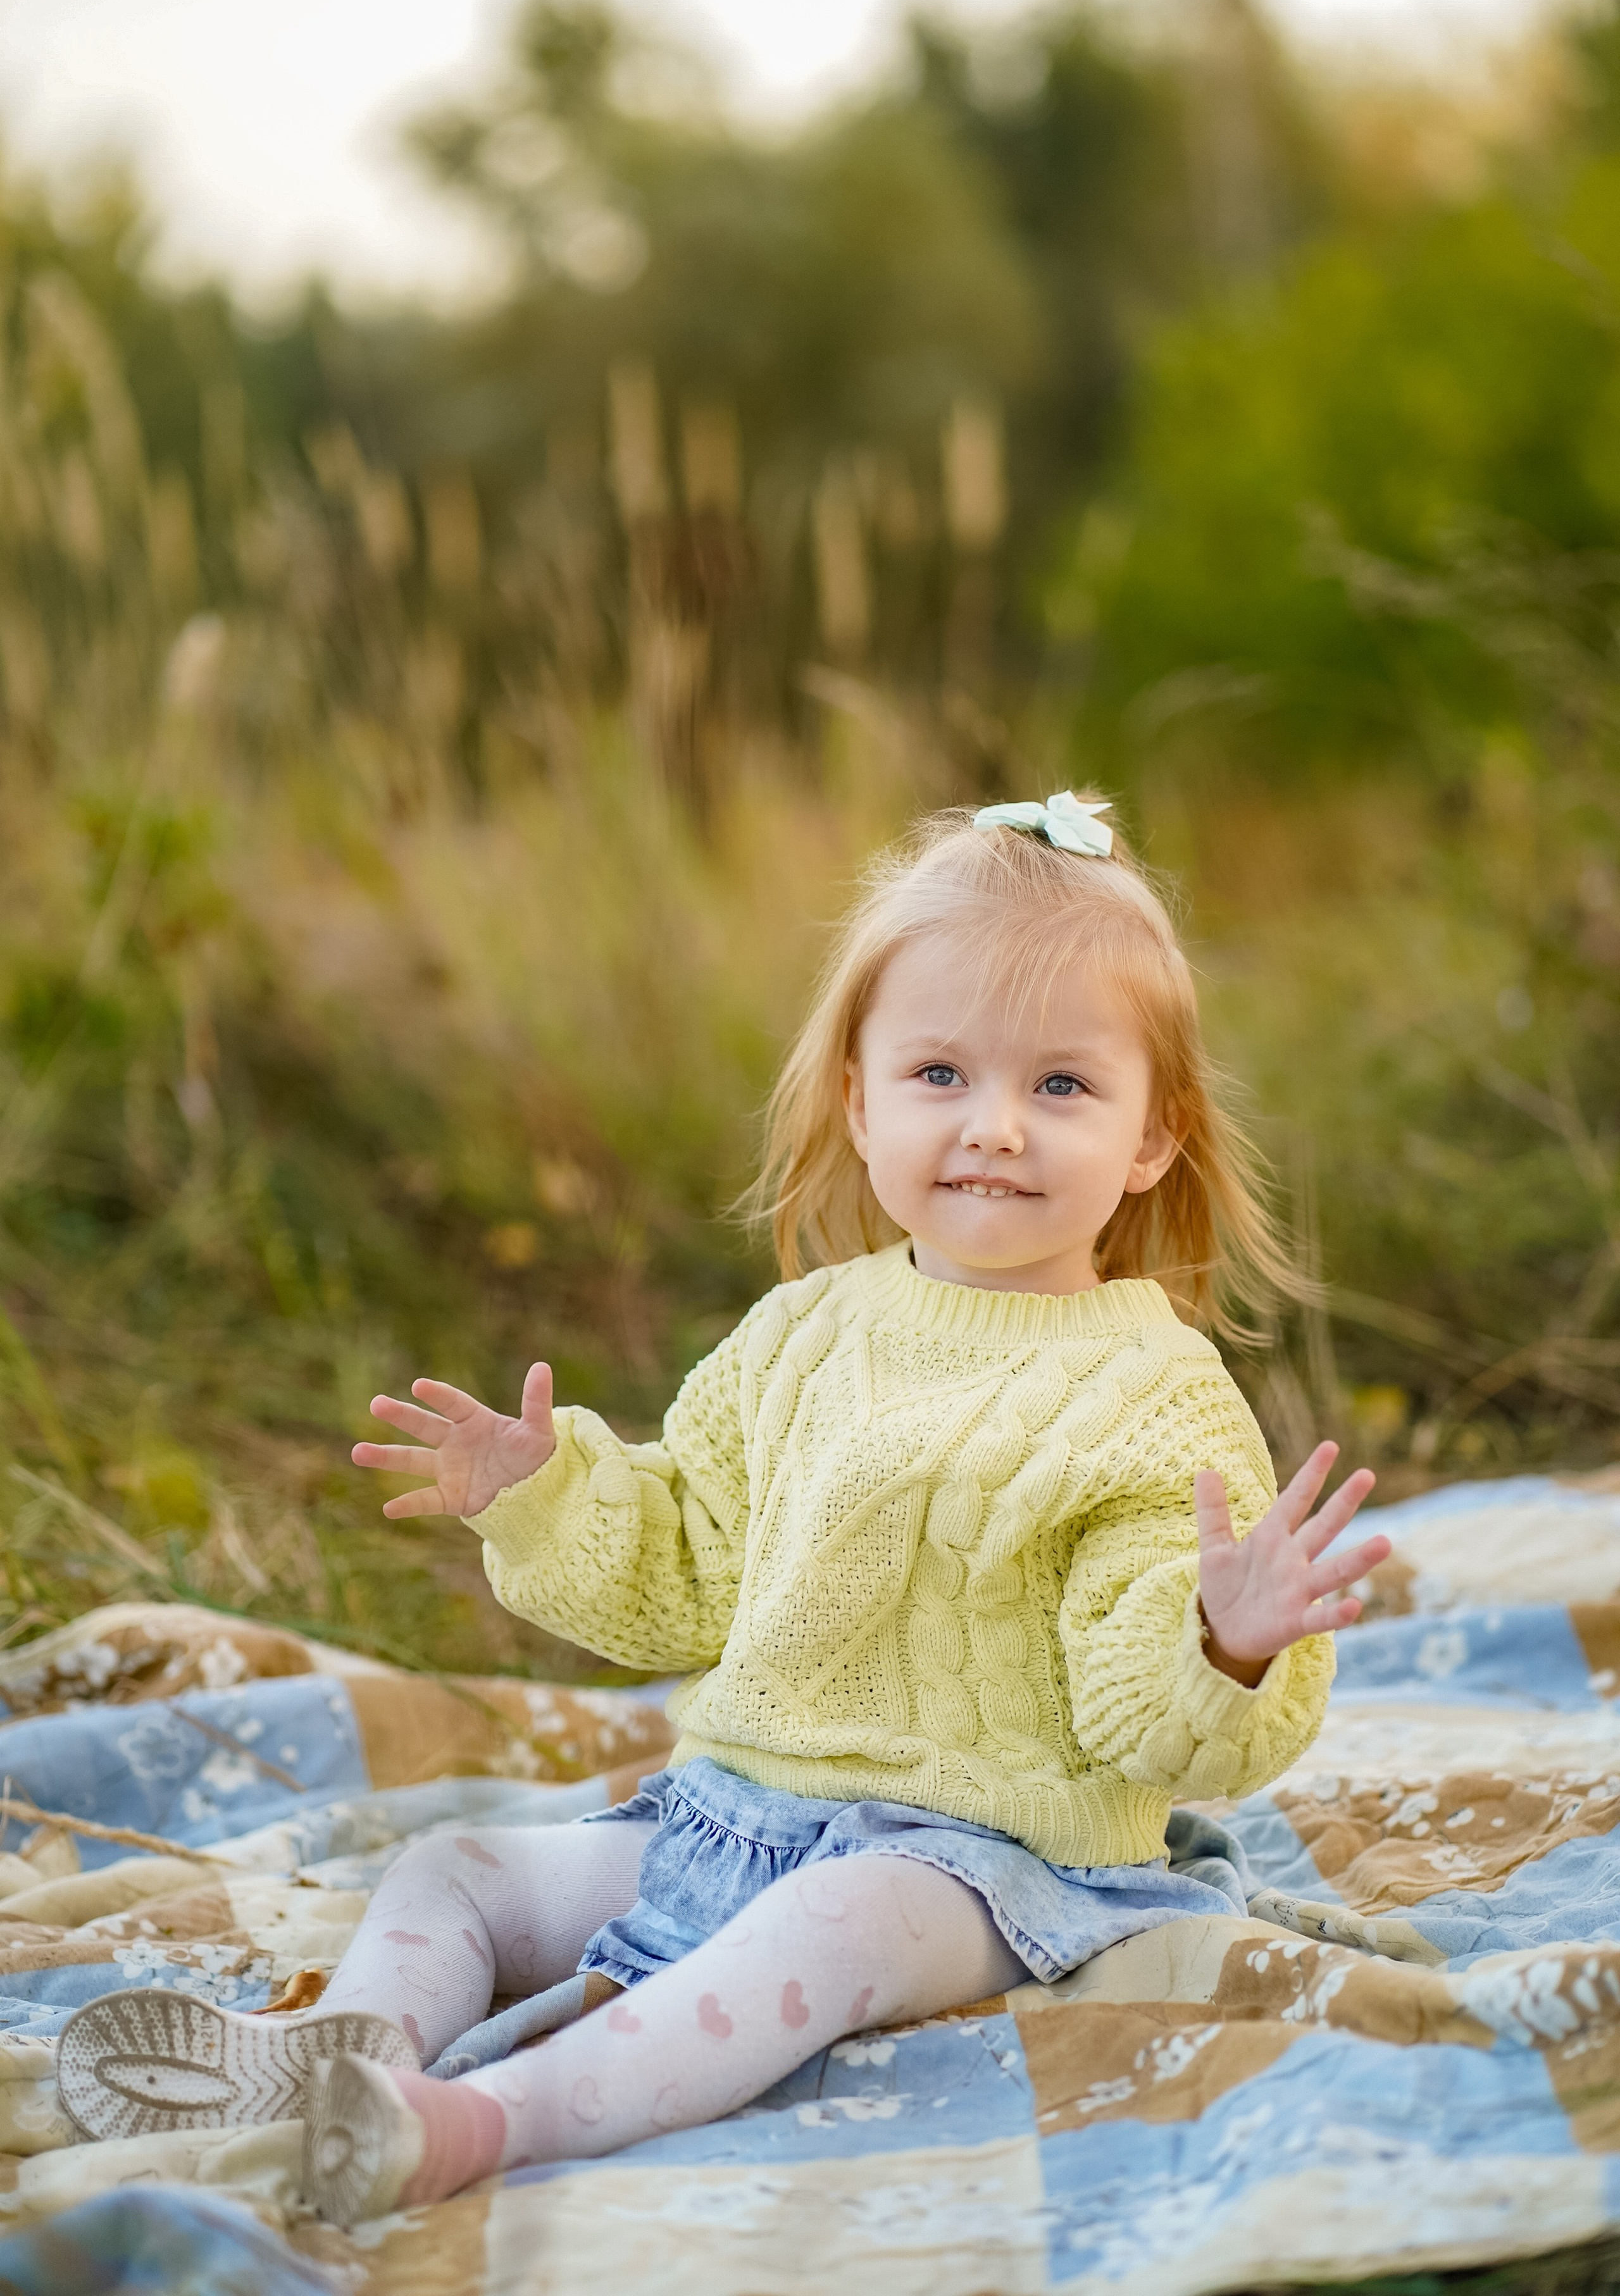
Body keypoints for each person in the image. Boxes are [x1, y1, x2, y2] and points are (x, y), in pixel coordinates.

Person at [58, 793, 1390, 2224]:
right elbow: (688, 1566)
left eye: (1061, 1087)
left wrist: (1220, 1640)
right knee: (459, 1870)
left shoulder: (1150, 1395)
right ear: (860, 1102)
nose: (995, 1127)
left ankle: (467, 2123)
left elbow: (1146, 1709)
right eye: (939, 1073)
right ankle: (350, 2056)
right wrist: (554, 1497)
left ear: (1149, 1139)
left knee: (824, 1932)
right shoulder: (805, 1333)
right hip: (740, 1812)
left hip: (989, 1861)